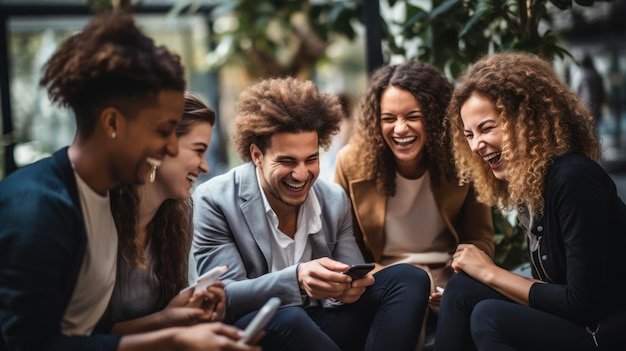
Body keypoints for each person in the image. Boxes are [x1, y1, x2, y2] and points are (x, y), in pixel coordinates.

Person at [0, 12, 258, 351]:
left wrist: (169, 324)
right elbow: (30, 344)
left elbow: (84, 332)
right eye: (162, 130)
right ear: (112, 123)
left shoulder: (105, 202)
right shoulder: (37, 207)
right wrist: (171, 339)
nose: (168, 147)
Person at [192, 76, 431, 351]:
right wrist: (297, 279)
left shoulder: (333, 199)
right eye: (287, 161)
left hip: (319, 325)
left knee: (409, 279)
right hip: (258, 330)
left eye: (312, 159)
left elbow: (351, 276)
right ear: (257, 155)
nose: (302, 174)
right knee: (289, 317)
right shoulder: (215, 200)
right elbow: (224, 296)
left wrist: (348, 288)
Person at [435, 51, 626, 350]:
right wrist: (480, 282)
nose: (476, 145)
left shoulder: (572, 178)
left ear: (527, 119)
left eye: (486, 128)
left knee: (490, 316)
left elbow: (582, 304)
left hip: (603, 332)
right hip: (576, 323)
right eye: (469, 134)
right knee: (460, 290)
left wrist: (489, 272)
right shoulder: (533, 184)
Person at [334, 61, 494, 348]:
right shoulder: (351, 163)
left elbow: (479, 237)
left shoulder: (461, 160)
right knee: (413, 284)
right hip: (383, 277)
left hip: (450, 273)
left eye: (413, 116)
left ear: (433, 117)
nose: (400, 129)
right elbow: (346, 249)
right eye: (388, 118)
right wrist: (415, 279)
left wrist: (460, 272)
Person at [96, 92, 229, 334]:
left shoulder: (177, 218)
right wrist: (166, 319)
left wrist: (190, 308)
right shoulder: (98, 216)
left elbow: (168, 317)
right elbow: (75, 338)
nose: (205, 166)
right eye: (198, 151)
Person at [577, 54, 606, 127]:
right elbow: (601, 92)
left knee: (587, 126)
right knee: (595, 126)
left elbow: (579, 90)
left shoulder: (582, 74)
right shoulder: (596, 74)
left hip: (585, 103)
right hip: (595, 104)